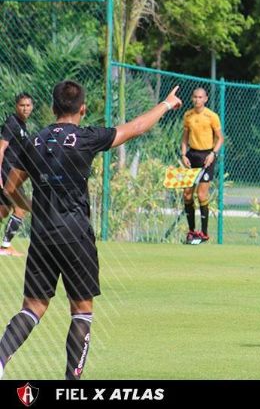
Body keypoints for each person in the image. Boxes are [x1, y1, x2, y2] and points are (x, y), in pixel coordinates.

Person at [0, 80, 182, 380]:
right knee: (81, 310)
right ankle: (72, 382)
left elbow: (9, 187)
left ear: (52, 107)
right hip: (76, 236)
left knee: (32, 307)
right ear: (82, 108)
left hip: (43, 237)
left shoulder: (33, 141)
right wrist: (165, 104)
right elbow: (135, 128)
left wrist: (30, 206)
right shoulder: (85, 138)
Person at [180, 87, 223, 244]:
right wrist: (184, 155)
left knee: (202, 195)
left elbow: (220, 138)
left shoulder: (212, 116)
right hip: (192, 156)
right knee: (187, 194)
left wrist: (213, 154)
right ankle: (192, 231)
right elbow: (184, 138)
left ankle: (204, 233)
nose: (197, 100)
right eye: (195, 97)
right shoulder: (188, 116)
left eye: (200, 97)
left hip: (206, 156)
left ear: (205, 99)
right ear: (192, 99)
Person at [0, 93, 34, 257]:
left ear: (32, 107)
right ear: (16, 106)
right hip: (8, 172)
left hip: (13, 174)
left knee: (3, 211)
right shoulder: (12, 122)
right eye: (22, 105)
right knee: (20, 209)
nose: (25, 108)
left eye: (28, 105)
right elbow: (1, 149)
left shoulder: (22, 126)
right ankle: (5, 247)